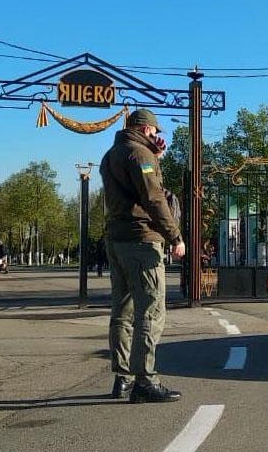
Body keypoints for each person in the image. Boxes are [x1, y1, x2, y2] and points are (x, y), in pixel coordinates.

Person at [100, 108, 186, 403]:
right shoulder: (140, 154)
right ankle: (145, 381)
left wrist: (155, 157)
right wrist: (175, 236)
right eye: (154, 131)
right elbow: (153, 197)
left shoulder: (111, 154)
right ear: (145, 129)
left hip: (117, 239)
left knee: (121, 313)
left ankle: (122, 378)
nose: (156, 135)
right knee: (150, 311)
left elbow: (131, 190)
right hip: (141, 240)